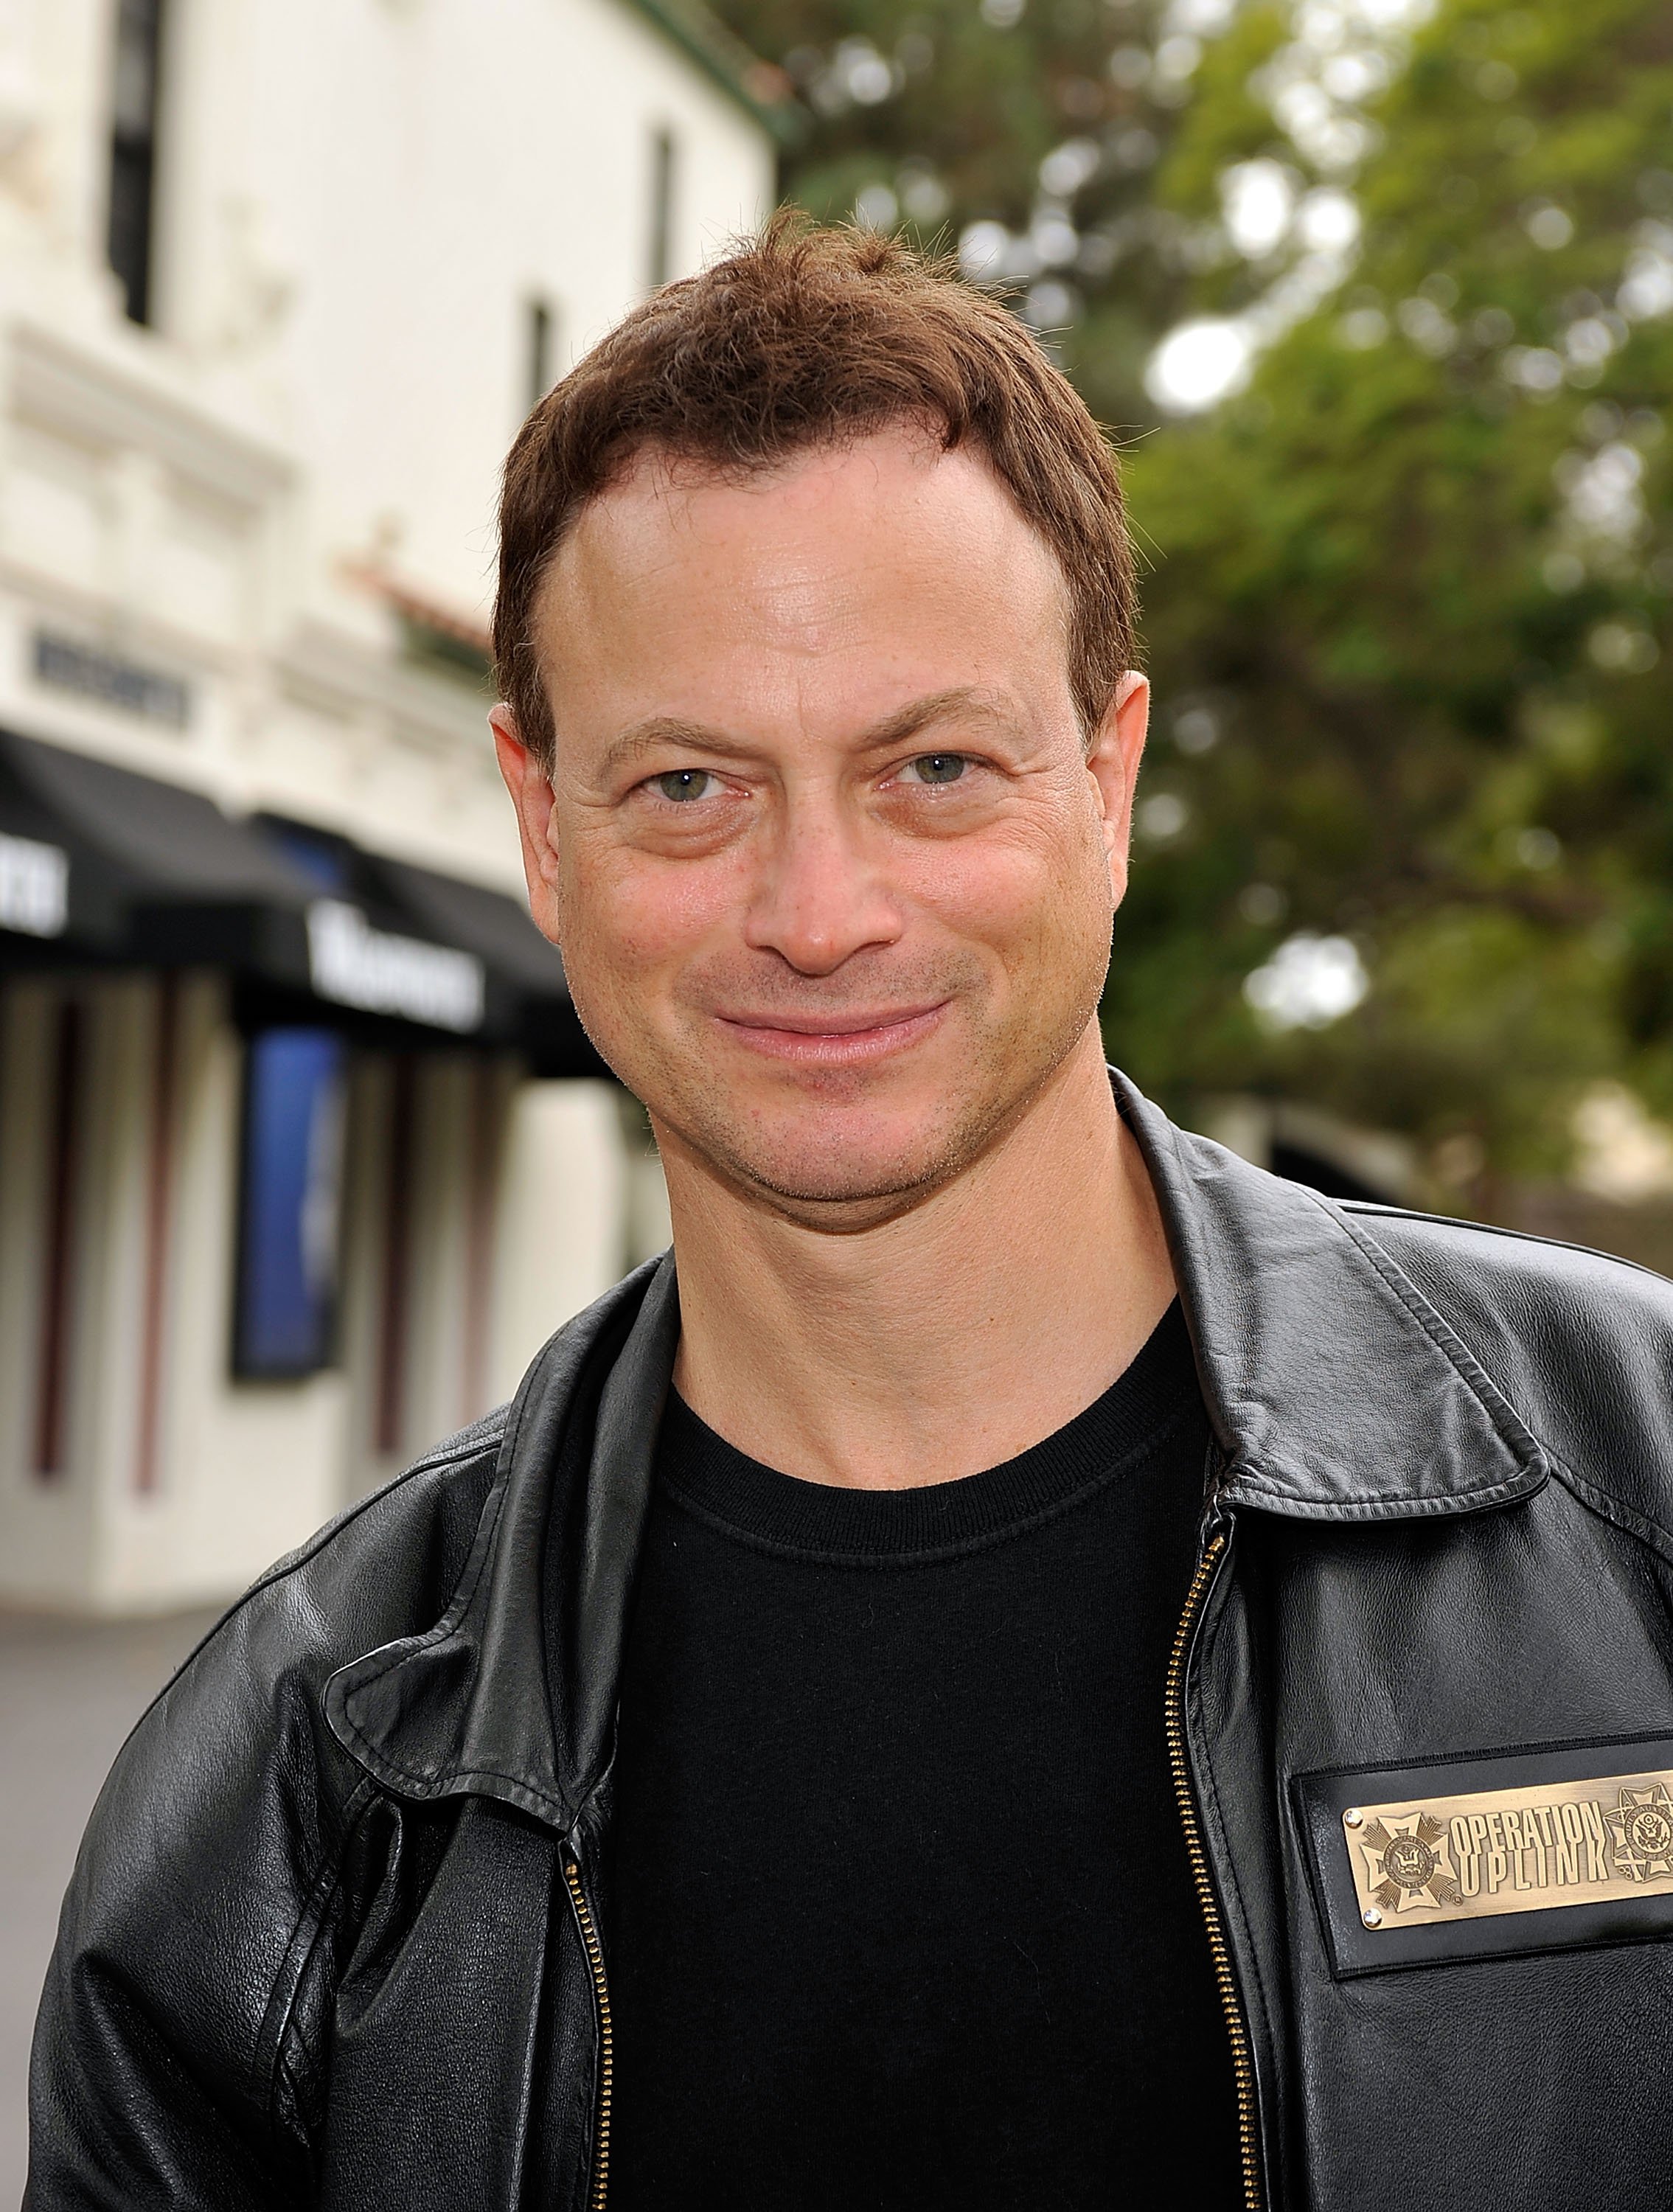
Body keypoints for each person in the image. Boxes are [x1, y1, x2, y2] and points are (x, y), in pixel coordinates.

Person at [27, 217, 1673, 2212]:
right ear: (544, 829)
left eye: (938, 767)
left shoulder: (1627, 1501)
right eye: (692, 787)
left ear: (1109, 781)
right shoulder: (304, 1781)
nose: (821, 914)